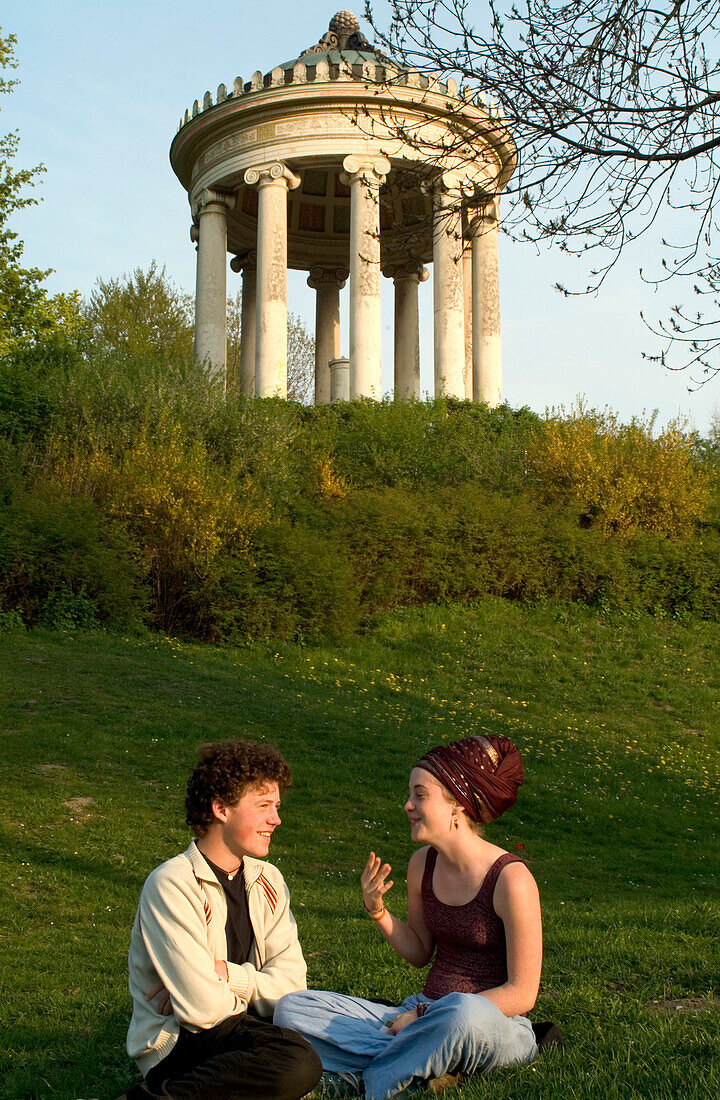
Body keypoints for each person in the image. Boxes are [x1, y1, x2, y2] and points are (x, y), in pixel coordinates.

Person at [274, 734, 542, 1099]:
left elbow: (522, 993)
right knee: (293, 1009)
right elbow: (419, 953)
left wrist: (423, 1019)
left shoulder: (511, 880)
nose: (407, 806)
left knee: (462, 1014)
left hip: (490, 1025)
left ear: (457, 804)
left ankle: (372, 1080)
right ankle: (425, 1063)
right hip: (420, 1012)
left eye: (420, 794)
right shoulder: (422, 865)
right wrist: (378, 911)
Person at [117, 739, 322, 1100]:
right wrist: (244, 990)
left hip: (245, 1030)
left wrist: (226, 975)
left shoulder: (268, 879)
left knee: (308, 1040)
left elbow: (294, 987)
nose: (276, 819)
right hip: (183, 1043)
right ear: (221, 808)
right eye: (263, 806)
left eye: (276, 806)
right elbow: (202, 1011)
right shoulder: (172, 883)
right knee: (299, 1060)